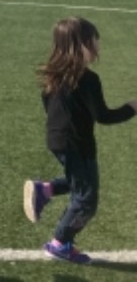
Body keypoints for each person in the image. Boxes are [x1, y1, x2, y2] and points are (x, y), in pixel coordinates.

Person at [23, 17, 137, 265]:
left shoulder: (54, 75)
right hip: (77, 143)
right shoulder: (88, 79)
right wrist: (132, 107)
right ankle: (60, 243)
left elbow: (47, 104)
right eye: (95, 40)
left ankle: (46, 190)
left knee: (82, 180)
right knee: (86, 199)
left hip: (57, 139)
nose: (99, 45)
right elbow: (104, 116)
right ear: (82, 45)